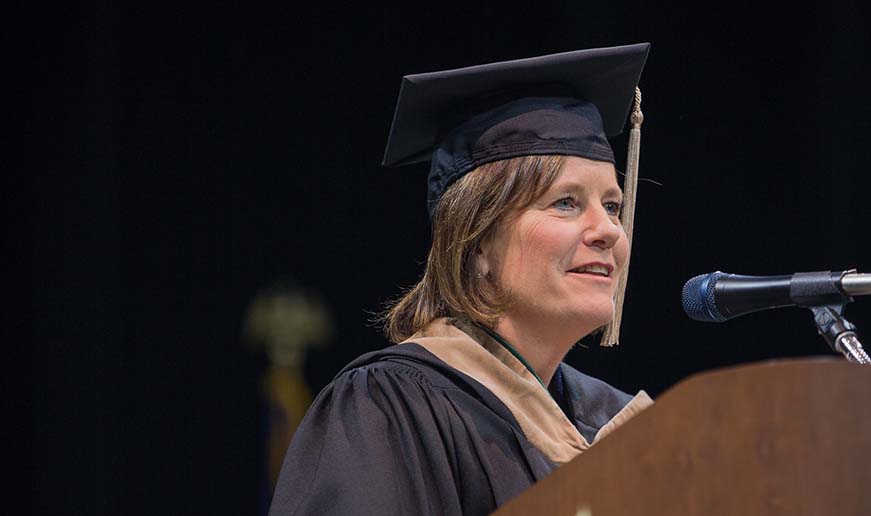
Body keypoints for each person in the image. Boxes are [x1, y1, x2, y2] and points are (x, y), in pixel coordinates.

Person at [267, 43, 653, 516]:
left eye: (612, 206)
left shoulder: (621, 425)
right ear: (476, 242)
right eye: (566, 203)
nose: (608, 230)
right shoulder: (393, 411)